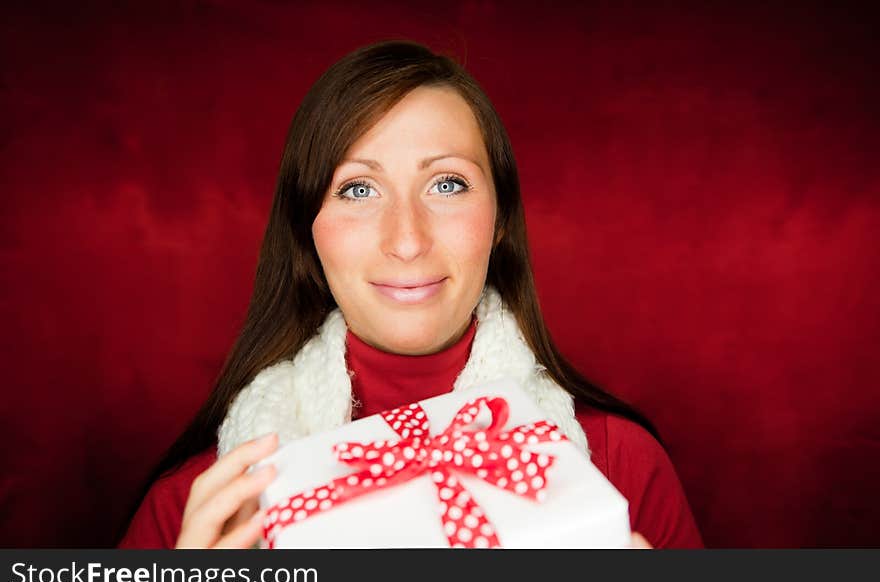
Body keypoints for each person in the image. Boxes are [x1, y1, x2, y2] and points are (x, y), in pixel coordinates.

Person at [117, 40, 703, 550]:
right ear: (306, 229)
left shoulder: (619, 468)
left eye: (447, 184)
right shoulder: (201, 514)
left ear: (500, 217)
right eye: (357, 189)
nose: (406, 240)